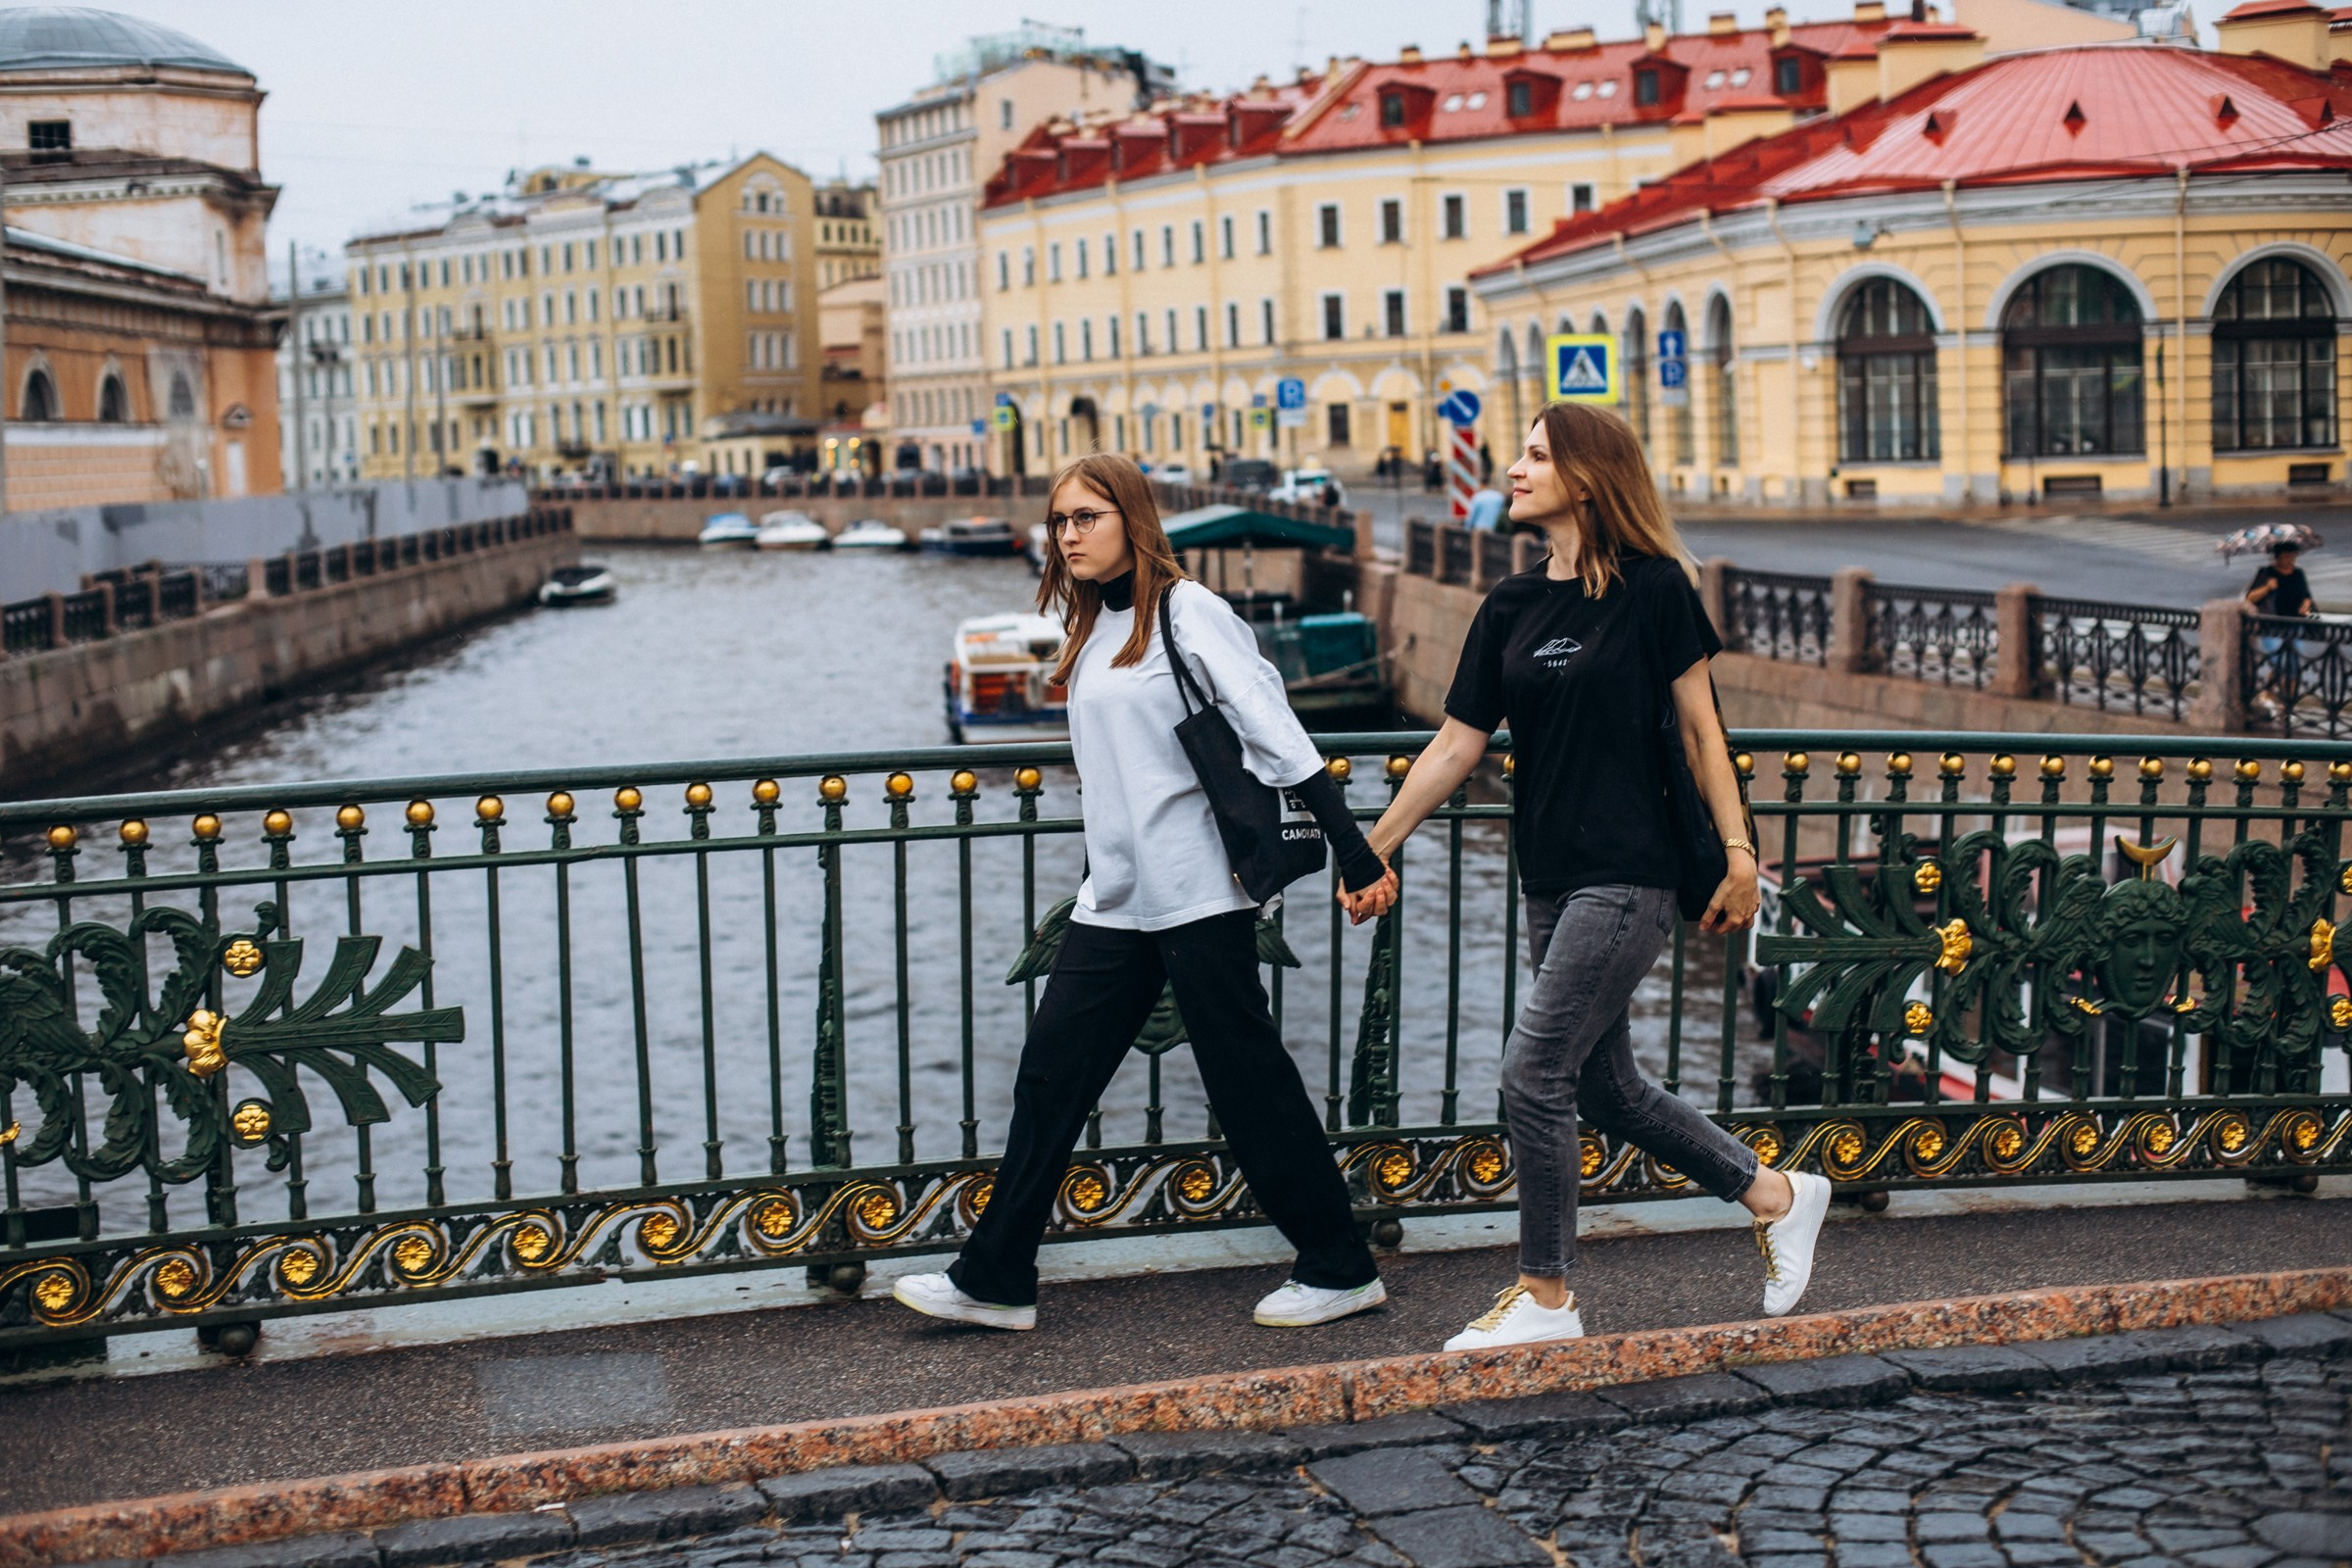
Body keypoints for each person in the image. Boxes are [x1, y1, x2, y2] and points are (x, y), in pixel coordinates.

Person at [1349, 402, 1831, 1351]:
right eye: (1521, 454)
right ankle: (1777, 1195)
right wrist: (1378, 844)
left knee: (1532, 1073)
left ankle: (1545, 1296)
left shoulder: (1655, 589)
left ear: (1587, 476)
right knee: (1606, 1089)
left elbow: (1704, 733)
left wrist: (1741, 854)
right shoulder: (1510, 605)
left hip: (1630, 873)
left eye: (1536, 455)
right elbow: (1456, 746)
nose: (1515, 468)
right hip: (1551, 876)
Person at [895, 453, 1402, 1333]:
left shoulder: (1188, 610)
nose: (1069, 535)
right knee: (1050, 1076)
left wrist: (1356, 855)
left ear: (1132, 519)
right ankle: (998, 1276)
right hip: (1117, 897)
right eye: (1059, 521)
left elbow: (1277, 734)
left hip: (1198, 890)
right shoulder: (1092, 625)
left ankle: (1339, 1266)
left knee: (1246, 1081)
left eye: (1086, 517)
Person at [2247, 539, 2316, 718]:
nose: (2290, 560)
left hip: (2294, 625)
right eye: (2286, 556)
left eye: (2292, 556)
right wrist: (2267, 587)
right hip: (2272, 627)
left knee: (2293, 665)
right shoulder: (2266, 573)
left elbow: (2306, 595)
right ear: (2277, 557)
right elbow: (2250, 598)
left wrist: (2306, 604)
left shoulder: (2298, 573)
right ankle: (2279, 699)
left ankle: (2286, 704)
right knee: (2281, 662)